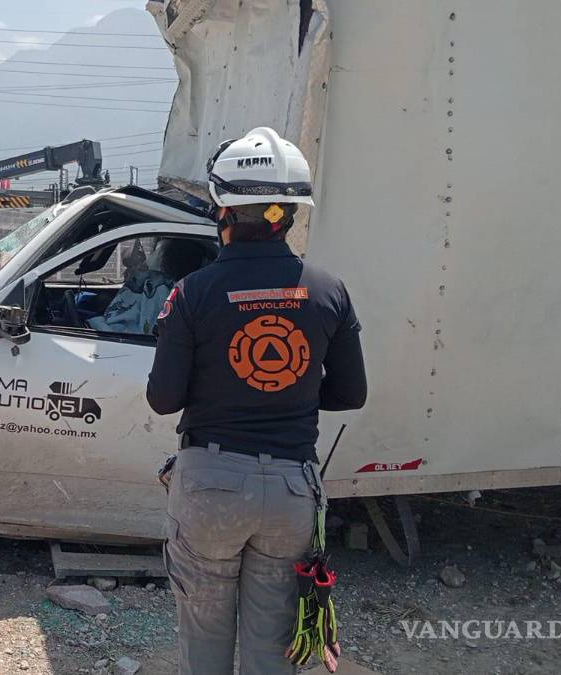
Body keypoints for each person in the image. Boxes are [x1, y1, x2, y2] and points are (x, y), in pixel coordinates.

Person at [146, 127, 367, 674]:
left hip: (210, 487)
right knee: (274, 647)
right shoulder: (329, 291)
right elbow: (351, 393)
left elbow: (163, 399)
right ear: (288, 213)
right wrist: (286, 391)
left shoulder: (192, 292)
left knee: (204, 642)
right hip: (291, 490)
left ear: (223, 210)